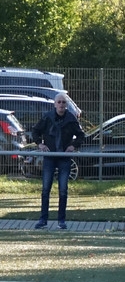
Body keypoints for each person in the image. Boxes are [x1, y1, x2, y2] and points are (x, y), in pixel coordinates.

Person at [31, 93, 85, 230]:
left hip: (64, 158)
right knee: (45, 189)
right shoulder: (47, 117)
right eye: (59, 102)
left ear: (66, 105)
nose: (61, 104)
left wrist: (73, 146)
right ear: (55, 104)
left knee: (63, 190)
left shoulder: (71, 119)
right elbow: (35, 131)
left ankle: (61, 221)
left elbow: (81, 135)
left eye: (63, 102)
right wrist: (40, 144)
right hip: (49, 157)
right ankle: (43, 219)